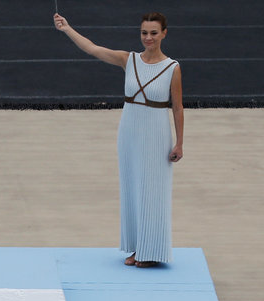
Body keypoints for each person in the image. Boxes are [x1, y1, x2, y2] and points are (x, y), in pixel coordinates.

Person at [54, 11, 183, 268]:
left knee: (153, 191)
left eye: (154, 33)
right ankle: (137, 247)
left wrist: (179, 143)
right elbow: (92, 48)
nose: (148, 38)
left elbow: (177, 108)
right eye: (144, 33)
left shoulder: (172, 68)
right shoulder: (129, 60)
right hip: (129, 132)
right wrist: (67, 28)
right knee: (132, 189)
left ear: (164, 34)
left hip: (156, 133)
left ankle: (152, 251)